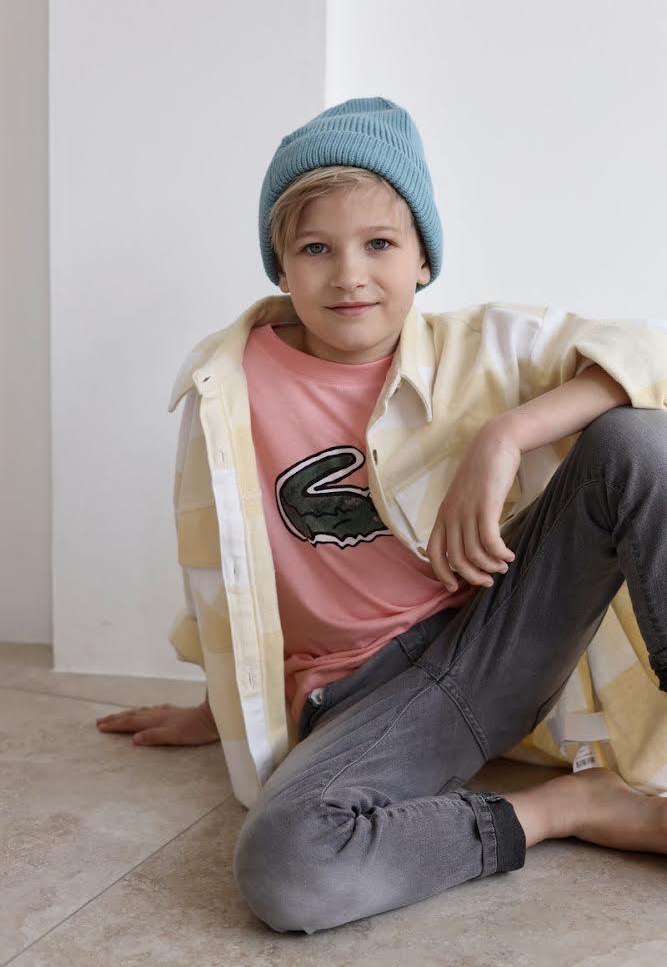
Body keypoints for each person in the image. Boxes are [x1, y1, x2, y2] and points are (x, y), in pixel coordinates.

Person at [97, 97, 667, 934]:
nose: (349, 275)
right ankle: (567, 808)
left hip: (495, 636)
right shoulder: (226, 392)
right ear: (279, 267)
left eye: (379, 245)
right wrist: (220, 707)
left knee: (636, 442)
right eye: (316, 249)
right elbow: (225, 571)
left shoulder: (485, 347)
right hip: (365, 696)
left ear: (423, 258)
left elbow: (649, 352)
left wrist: (504, 435)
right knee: (289, 864)